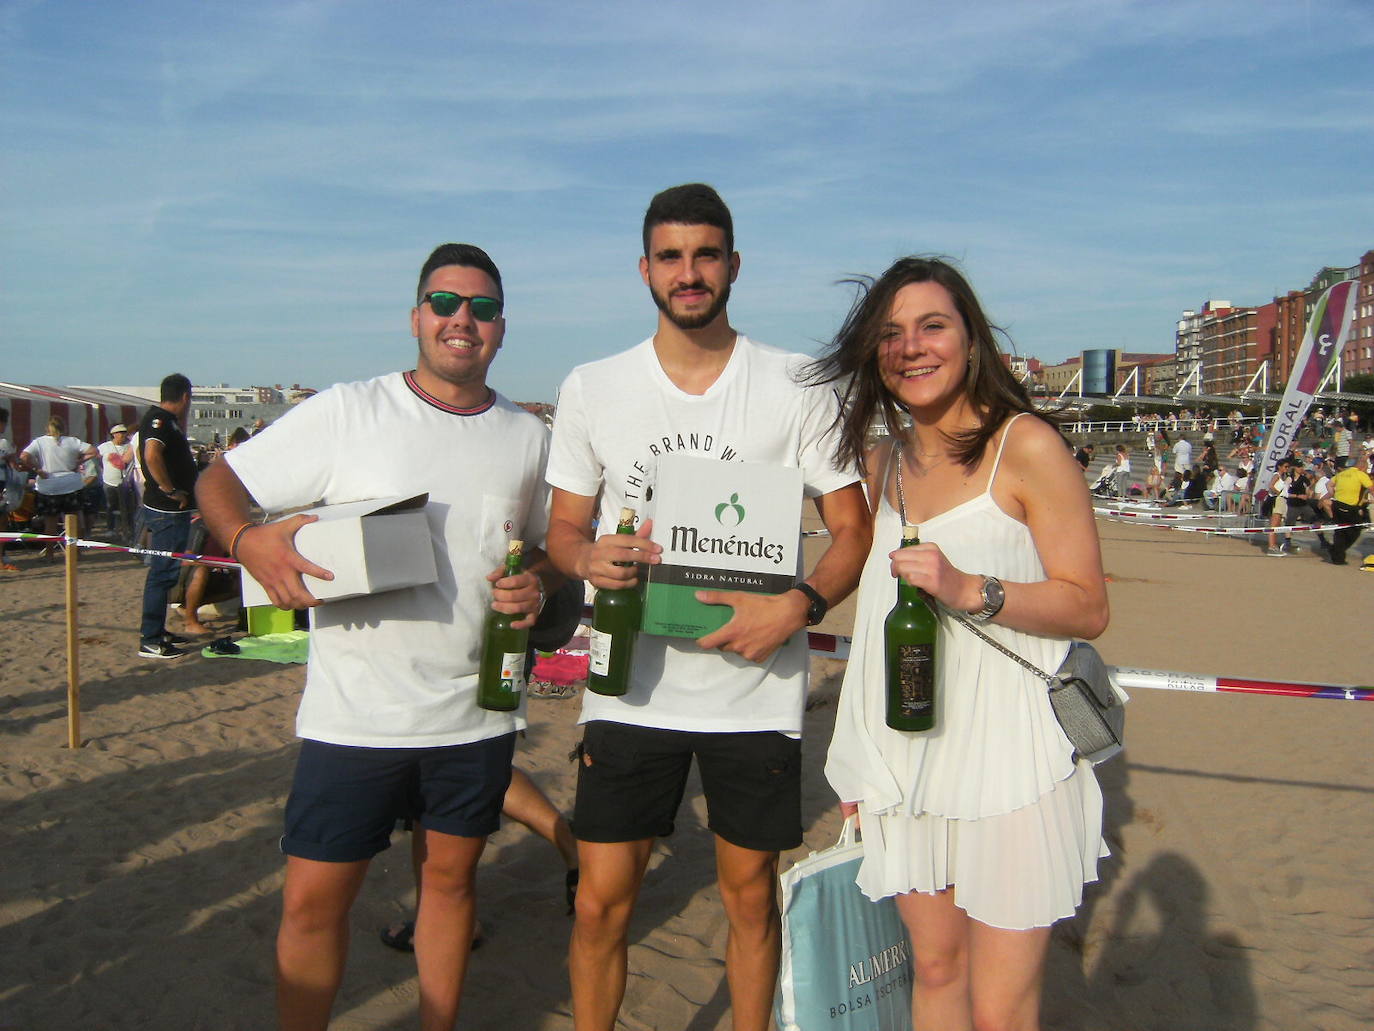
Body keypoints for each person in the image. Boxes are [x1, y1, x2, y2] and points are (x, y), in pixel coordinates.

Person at [196, 242, 557, 1031]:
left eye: (483, 308)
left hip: (475, 714)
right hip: (353, 716)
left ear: (502, 327)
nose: (463, 320)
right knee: (313, 904)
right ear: (416, 316)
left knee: (453, 889)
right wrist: (246, 541)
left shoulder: (527, 435)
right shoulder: (349, 410)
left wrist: (540, 580)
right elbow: (220, 480)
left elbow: (545, 548)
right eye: (445, 303)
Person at [544, 183, 870, 1031]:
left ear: (733, 264)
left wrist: (795, 607)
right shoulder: (594, 385)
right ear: (644, 269)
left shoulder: (799, 384)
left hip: (754, 692)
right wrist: (586, 557)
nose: (689, 273)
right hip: (630, 689)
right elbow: (563, 531)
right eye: (670, 256)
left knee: (750, 900)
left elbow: (852, 530)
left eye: (706, 255)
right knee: (600, 904)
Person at [816, 256, 1110, 1031]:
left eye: (932, 326)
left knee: (1002, 1006)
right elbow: (872, 620)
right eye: (891, 334)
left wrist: (970, 588)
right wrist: (856, 756)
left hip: (1015, 759)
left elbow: (1088, 604)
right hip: (912, 760)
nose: (912, 347)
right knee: (936, 969)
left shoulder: (1026, 446)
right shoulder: (882, 464)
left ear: (970, 336)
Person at [135, 374, 198, 658]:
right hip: (166, 509)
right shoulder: (159, 420)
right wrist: (171, 490)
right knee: (161, 574)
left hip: (172, 509)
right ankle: (150, 637)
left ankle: (157, 630)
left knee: (167, 573)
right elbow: (151, 455)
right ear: (185, 396)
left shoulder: (164, 420)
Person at [180, 427, 249, 636]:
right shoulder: (229, 466)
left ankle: (190, 610)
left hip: (222, 523)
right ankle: (190, 618)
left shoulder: (230, 466)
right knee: (201, 568)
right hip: (211, 527)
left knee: (237, 569)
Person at [19, 415, 98, 558]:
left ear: (47, 428)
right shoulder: (72, 441)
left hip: (49, 485)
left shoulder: (39, 442)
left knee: (50, 523)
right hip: (71, 483)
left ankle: (49, 554)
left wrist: (37, 469)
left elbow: (23, 457)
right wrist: (79, 460)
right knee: (74, 521)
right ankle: (75, 553)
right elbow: (94, 451)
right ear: (64, 427)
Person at [1327, 452, 1372, 565]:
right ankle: (1337, 551)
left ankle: (1338, 557)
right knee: (1356, 529)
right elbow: (1371, 488)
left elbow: (1329, 484)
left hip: (1336, 505)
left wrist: (1333, 493)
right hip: (1349, 507)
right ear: (1362, 466)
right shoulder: (1361, 474)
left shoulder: (1342, 473)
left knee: (1340, 531)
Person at [97, 424, 136, 542]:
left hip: (125, 482)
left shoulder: (129, 446)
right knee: (110, 506)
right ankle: (110, 528)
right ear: (114, 434)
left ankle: (126, 529)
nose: (123, 435)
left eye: (124, 433)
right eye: (120, 433)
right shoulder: (104, 447)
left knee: (126, 507)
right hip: (109, 481)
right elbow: (97, 458)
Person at [0, 406, 19, 571]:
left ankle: (2, 555)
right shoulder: (4, 443)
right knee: (1, 523)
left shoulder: (5, 443)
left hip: (2, 485)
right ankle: (2, 557)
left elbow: (14, 465)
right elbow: (14, 466)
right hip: (1, 485)